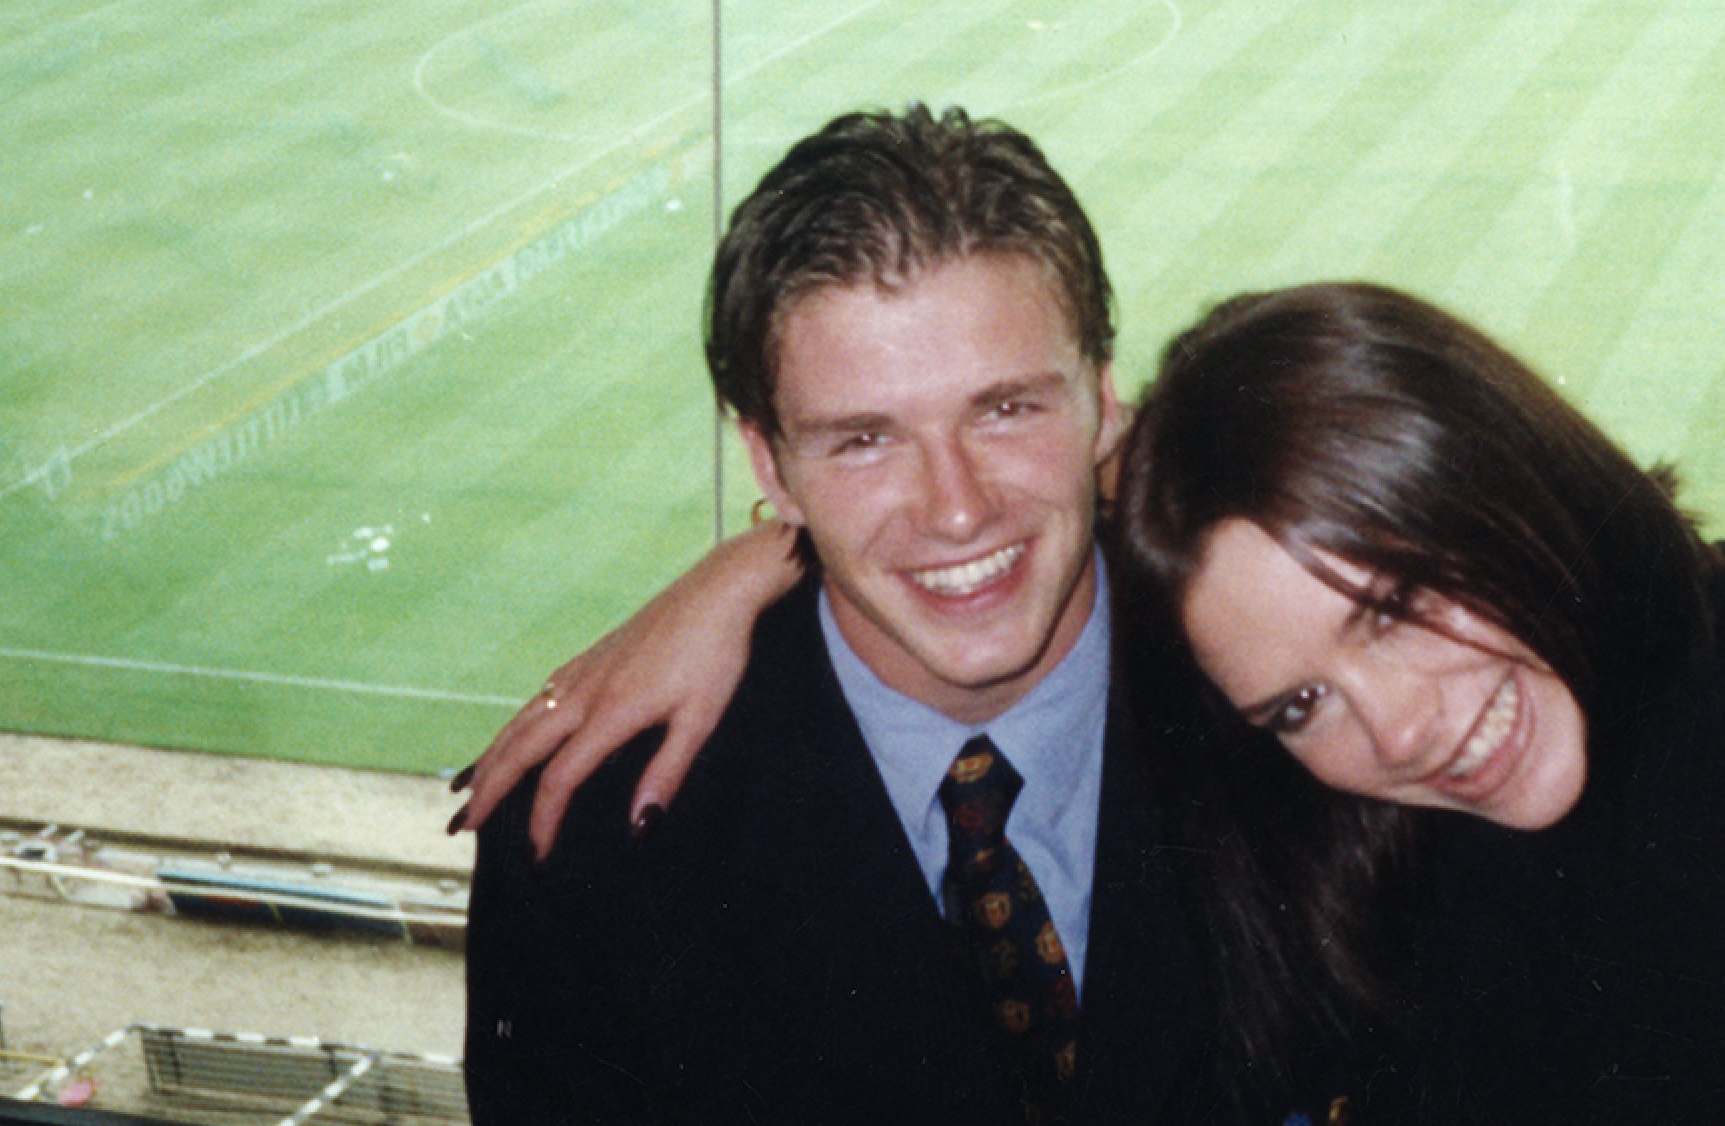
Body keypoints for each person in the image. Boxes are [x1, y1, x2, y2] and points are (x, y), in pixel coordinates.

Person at [461, 280, 1725, 1121]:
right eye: (1304, 701)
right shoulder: (1327, 818)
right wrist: (778, 560)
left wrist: (768, 553)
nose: (1403, 728)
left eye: (1395, 606)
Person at [463, 104, 1270, 1126]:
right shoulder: (590, 843)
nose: (956, 506)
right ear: (770, 467)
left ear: (1103, 403)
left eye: (1006, 407)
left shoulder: (1297, 711)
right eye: (863, 441)